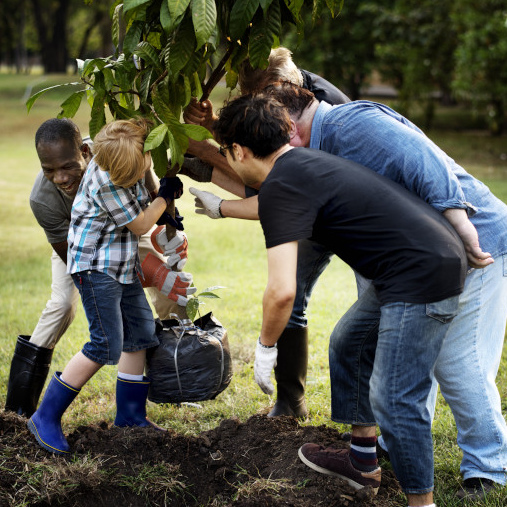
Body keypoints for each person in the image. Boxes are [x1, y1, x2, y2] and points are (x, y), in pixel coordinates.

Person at [196, 82, 507, 500]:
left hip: (421, 274)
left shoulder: (318, 154)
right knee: (349, 342)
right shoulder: (302, 164)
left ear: (238, 152)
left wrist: (266, 347)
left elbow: (282, 292)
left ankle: (424, 501)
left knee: (397, 397)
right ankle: (362, 461)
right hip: (419, 261)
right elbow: (268, 201)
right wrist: (219, 207)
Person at [184, 47, 351, 418]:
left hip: (352, 215)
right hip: (316, 203)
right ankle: (291, 403)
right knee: (294, 297)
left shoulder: (317, 112)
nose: (258, 106)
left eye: (259, 100)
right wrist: (214, 129)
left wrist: (207, 153)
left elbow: (275, 185)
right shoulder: (283, 93)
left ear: (280, 87)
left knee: (353, 324)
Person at [27, 118, 195, 455]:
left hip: (120, 265)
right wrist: (162, 198)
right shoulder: (106, 180)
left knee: (141, 333)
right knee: (106, 344)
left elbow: (145, 198)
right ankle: (44, 416)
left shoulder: (117, 157)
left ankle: (130, 417)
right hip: (94, 269)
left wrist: (160, 199)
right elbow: (140, 224)